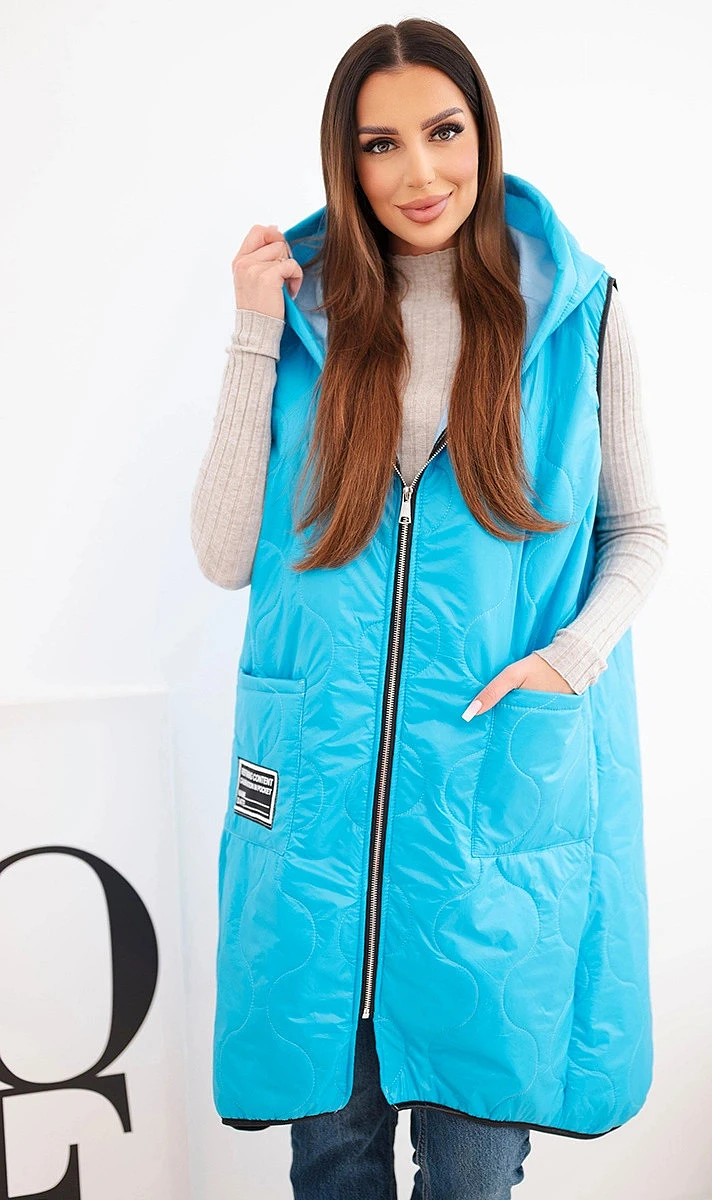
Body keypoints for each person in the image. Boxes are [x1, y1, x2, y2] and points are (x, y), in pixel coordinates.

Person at [191, 18, 668, 1200]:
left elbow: (638, 533)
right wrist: (252, 331)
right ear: (344, 160)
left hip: (489, 807)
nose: (419, 172)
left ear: (481, 133)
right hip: (323, 817)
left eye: (443, 132)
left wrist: (570, 657)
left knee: (471, 1169)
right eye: (380, 144)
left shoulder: (580, 312)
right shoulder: (303, 321)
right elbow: (220, 553)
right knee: (331, 1158)